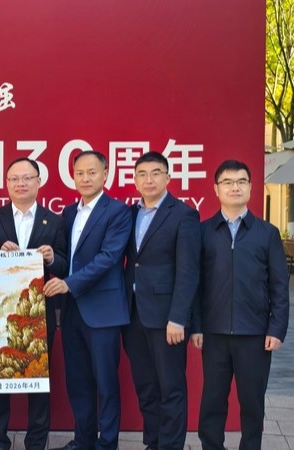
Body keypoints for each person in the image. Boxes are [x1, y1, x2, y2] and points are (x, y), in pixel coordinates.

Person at [192, 159, 289, 450]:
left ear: (250, 187)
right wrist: (196, 326)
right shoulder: (203, 232)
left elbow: (279, 286)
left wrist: (277, 329)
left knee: (252, 403)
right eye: (228, 182)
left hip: (255, 335)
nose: (235, 187)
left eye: (241, 182)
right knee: (212, 401)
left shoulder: (267, 233)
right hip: (214, 333)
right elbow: (195, 285)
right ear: (216, 189)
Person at [0, 157, 68, 450]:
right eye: (15, 179)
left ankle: (36, 443)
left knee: (38, 382)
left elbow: (66, 266)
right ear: (7, 184)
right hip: (1, 315)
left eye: (27, 178)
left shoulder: (54, 220)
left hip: (38, 313)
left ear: (38, 182)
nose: (21, 184)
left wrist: (52, 258)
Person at [44, 151, 131, 450]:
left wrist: (68, 284)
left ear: (105, 174)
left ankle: (106, 444)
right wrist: (51, 259)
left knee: (105, 384)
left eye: (92, 172)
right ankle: (83, 441)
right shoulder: (68, 213)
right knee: (78, 382)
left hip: (103, 312)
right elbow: (66, 259)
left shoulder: (117, 211)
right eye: (79, 173)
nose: (85, 178)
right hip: (71, 311)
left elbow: (108, 258)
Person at [121, 152, 200, 450]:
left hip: (167, 318)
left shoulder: (183, 215)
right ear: (135, 179)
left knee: (171, 388)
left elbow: (188, 271)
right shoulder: (129, 213)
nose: (149, 179)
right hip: (132, 314)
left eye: (156, 173)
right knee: (146, 386)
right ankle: (153, 443)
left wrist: (178, 317)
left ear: (168, 177)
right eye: (142, 174)